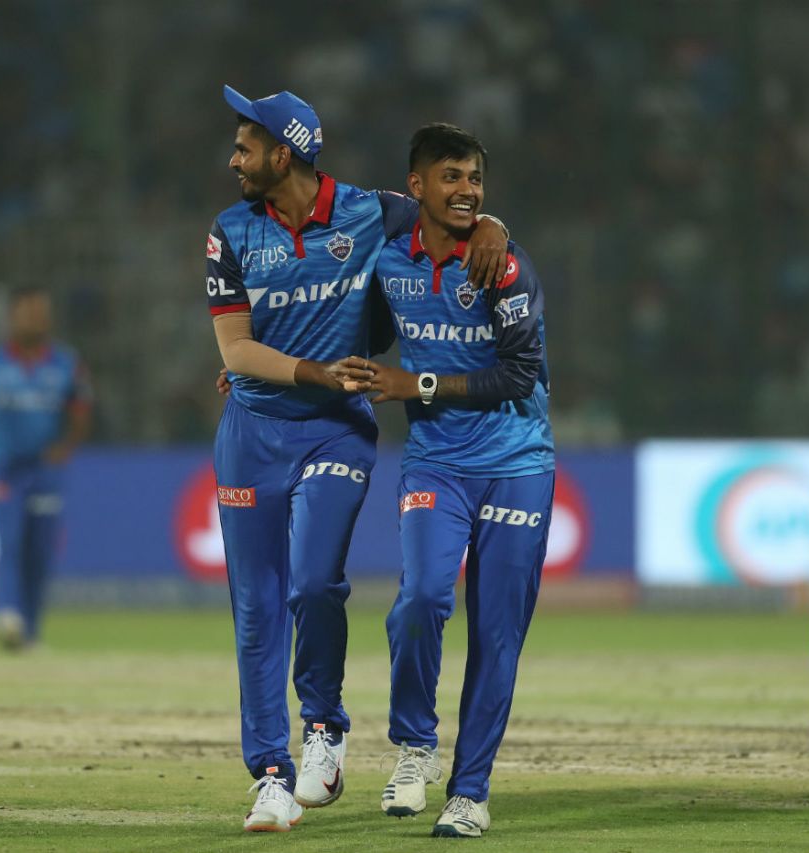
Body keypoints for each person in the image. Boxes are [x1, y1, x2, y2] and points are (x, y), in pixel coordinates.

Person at [206, 87, 509, 833]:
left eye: (245, 147)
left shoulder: (371, 211)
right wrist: (312, 369)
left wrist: (494, 222)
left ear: (285, 153)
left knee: (313, 582)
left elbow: (448, 214)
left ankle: (324, 728)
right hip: (252, 432)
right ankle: (270, 775)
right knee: (255, 609)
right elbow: (237, 350)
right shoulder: (229, 230)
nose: (233, 159)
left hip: (337, 430)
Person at [341, 123, 554, 838]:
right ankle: (415, 744)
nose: (467, 191)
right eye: (452, 178)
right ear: (417, 188)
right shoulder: (386, 255)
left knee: (496, 635)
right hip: (436, 460)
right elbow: (355, 331)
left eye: (476, 181)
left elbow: (518, 374)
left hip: (517, 463)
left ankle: (470, 791)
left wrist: (417, 381)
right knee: (421, 599)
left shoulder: (505, 264)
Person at [0, 286, 92, 651]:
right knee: (10, 541)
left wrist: (66, 447)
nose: (36, 319)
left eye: (41, 311)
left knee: (41, 550)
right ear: (13, 316)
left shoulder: (66, 363)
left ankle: (29, 632)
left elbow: (80, 410)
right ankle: (8, 614)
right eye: (28, 311)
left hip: (44, 470)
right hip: (2, 466)